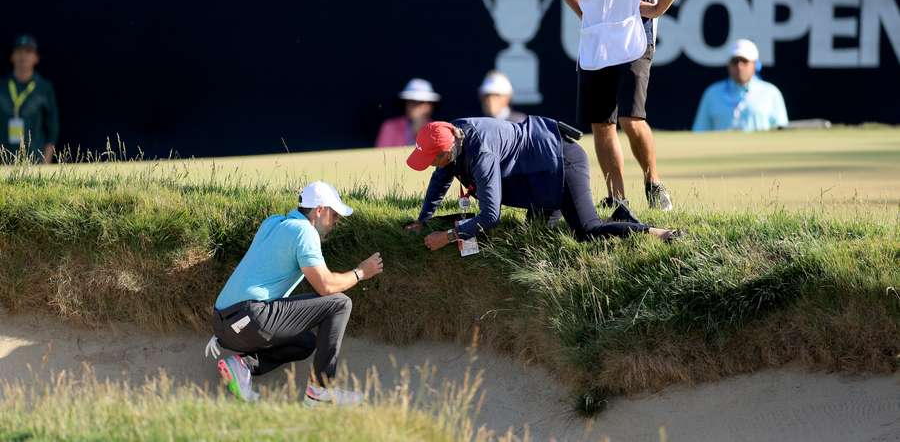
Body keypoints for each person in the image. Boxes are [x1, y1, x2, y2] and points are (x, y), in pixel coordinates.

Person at [551, 0, 688, 211]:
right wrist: (587, 13)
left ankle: (654, 184)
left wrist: (657, 10)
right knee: (600, 123)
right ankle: (617, 199)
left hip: (633, 36)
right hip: (598, 40)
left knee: (631, 119)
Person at [206, 181, 384, 405]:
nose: (336, 221)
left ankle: (243, 365)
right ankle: (320, 390)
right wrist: (361, 272)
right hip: (251, 318)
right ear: (319, 210)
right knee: (340, 303)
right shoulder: (304, 231)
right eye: (334, 214)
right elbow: (325, 286)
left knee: (304, 343)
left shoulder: (273, 223)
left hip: (224, 324)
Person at [404, 118, 679, 247]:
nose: (428, 164)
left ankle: (659, 232)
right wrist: (423, 219)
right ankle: (619, 216)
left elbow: (490, 216)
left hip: (562, 165)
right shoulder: (453, 134)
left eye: (430, 159)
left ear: (447, 149)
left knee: (586, 230)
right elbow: (442, 176)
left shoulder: (481, 154)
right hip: (536, 173)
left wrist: (449, 236)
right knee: (535, 234)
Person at [692, 39, 788, 132]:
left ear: (755, 64)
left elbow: (781, 133)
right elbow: (700, 132)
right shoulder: (712, 93)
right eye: (735, 61)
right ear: (728, 65)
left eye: (744, 61)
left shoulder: (771, 93)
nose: (739, 66)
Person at [0, 34, 59, 164]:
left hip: (34, 162)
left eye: (28, 51)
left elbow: (52, 129)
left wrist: (45, 164)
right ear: (12, 56)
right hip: (3, 163)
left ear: (36, 58)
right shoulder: (2, 87)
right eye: (19, 51)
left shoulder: (44, 88)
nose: (23, 56)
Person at [375, 78, 440, 148]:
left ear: (429, 106)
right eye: (410, 102)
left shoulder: (438, 130)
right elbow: (381, 155)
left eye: (419, 102)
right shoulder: (389, 127)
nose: (412, 106)